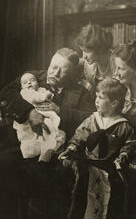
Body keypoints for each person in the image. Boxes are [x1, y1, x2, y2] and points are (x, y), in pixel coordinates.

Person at [0, 48, 95, 218]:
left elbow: (88, 118)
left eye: (62, 71)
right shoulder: (34, 77)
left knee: (49, 183)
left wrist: (60, 110)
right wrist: (29, 112)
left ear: (72, 75)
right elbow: (6, 93)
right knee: (5, 164)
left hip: (56, 150)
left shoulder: (81, 93)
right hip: (24, 144)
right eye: (53, 67)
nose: (54, 73)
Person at [59, 78, 136, 219]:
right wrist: (71, 149)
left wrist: (123, 155)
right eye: (96, 96)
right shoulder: (92, 120)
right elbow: (79, 136)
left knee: (112, 196)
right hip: (88, 165)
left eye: (101, 98)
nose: (96, 101)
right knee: (81, 195)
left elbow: (130, 144)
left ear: (114, 103)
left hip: (109, 167)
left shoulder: (123, 126)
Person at [13, 72, 65, 162]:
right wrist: (45, 96)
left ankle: (49, 150)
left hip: (44, 113)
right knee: (28, 136)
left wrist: (49, 95)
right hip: (29, 117)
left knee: (51, 130)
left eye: (32, 80)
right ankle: (31, 152)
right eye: (25, 82)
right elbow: (35, 98)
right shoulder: (25, 92)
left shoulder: (41, 90)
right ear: (21, 87)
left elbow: (50, 97)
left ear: (37, 82)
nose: (29, 83)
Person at [75, 24, 115, 94]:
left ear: (99, 48)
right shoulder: (86, 63)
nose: (84, 56)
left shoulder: (117, 62)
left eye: (86, 51)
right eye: (82, 51)